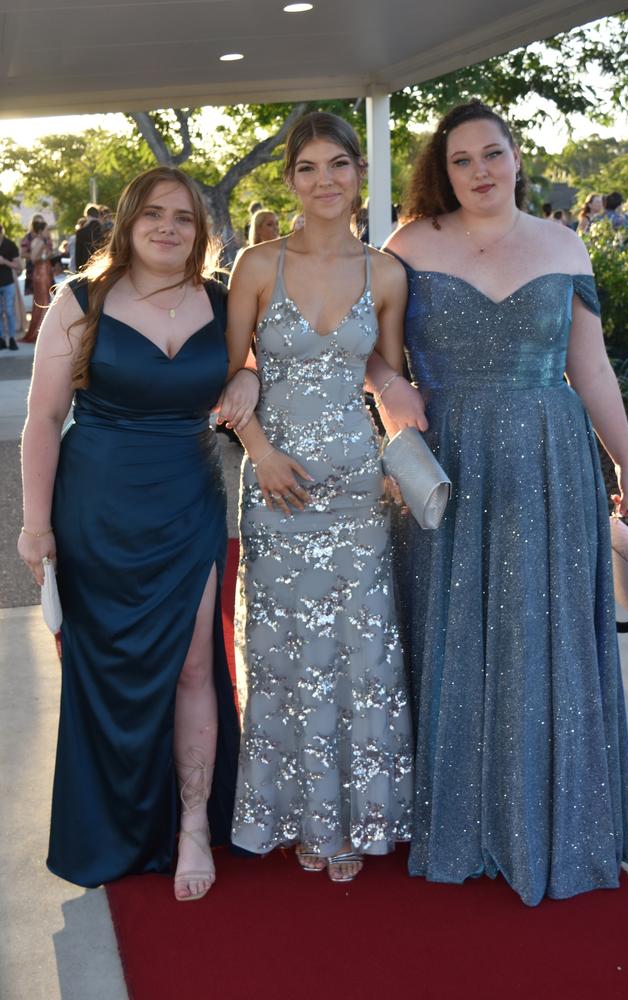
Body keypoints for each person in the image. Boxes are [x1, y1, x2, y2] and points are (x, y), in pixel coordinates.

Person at [371, 99, 628, 906]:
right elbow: (379, 367)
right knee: (449, 628)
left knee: (542, 632)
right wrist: (395, 412)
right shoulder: (408, 246)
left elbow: (589, 368)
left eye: (493, 153)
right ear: (442, 170)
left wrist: (627, 461)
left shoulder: (564, 242)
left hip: (550, 460)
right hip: (448, 459)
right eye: (462, 160)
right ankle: (459, 818)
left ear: (518, 157)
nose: (480, 171)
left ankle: (552, 821)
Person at [17, 165, 256, 901]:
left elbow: (250, 368)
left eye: (183, 217)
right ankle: (112, 824)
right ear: (127, 222)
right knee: (105, 670)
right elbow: (43, 420)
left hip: (188, 503)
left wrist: (245, 381)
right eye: (153, 214)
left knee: (193, 666)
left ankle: (191, 823)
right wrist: (34, 525)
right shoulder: (78, 299)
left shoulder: (221, 300)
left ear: (200, 230)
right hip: (97, 509)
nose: (168, 228)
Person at [227, 111, 413, 883]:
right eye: (308, 167)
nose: (325, 179)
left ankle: (361, 818)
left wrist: (404, 444)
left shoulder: (388, 272)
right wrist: (260, 451)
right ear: (291, 181)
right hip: (278, 489)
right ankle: (296, 817)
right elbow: (232, 369)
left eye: (339, 164)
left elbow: (387, 373)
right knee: (282, 658)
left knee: (361, 655)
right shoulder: (256, 264)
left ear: (359, 174)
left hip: (358, 490)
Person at [21, 220, 53, 343]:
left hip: (44, 272)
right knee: (42, 301)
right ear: (40, 231)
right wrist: (46, 257)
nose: (48, 232)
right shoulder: (38, 241)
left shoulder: (41, 241)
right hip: (40, 274)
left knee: (44, 300)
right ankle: (40, 332)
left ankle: (42, 330)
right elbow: (34, 258)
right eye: (46, 230)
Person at [0, 222, 22, 350]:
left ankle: (12, 339)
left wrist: (4, 261)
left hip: (8, 283)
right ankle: (2, 339)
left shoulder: (10, 245)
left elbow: (19, 266)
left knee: (9, 311)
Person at [74, 204, 104, 270]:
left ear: (87, 216)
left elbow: (78, 255)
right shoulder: (105, 230)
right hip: (102, 266)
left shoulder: (80, 232)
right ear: (98, 215)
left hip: (86, 268)